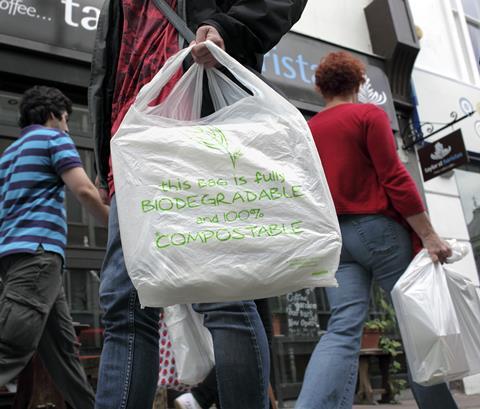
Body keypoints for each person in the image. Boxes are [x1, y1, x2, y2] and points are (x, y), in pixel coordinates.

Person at [88, 1, 307, 409]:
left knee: (224, 293)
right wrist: (105, 160)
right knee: (124, 307)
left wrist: (228, 26)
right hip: (132, 151)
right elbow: (111, 66)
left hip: (201, 131)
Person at [295, 52, 457, 409]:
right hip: (379, 231)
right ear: (357, 83)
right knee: (415, 327)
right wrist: (428, 234)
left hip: (336, 239)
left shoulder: (308, 131)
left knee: (341, 329)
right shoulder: (369, 115)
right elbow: (395, 178)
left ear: (321, 88)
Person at [0, 86, 110, 409]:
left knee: (64, 356)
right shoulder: (53, 140)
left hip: (17, 259)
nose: (66, 127)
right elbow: (86, 192)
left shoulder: (7, 156)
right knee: (10, 348)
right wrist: (117, 227)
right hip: (39, 256)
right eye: (65, 119)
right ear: (52, 115)